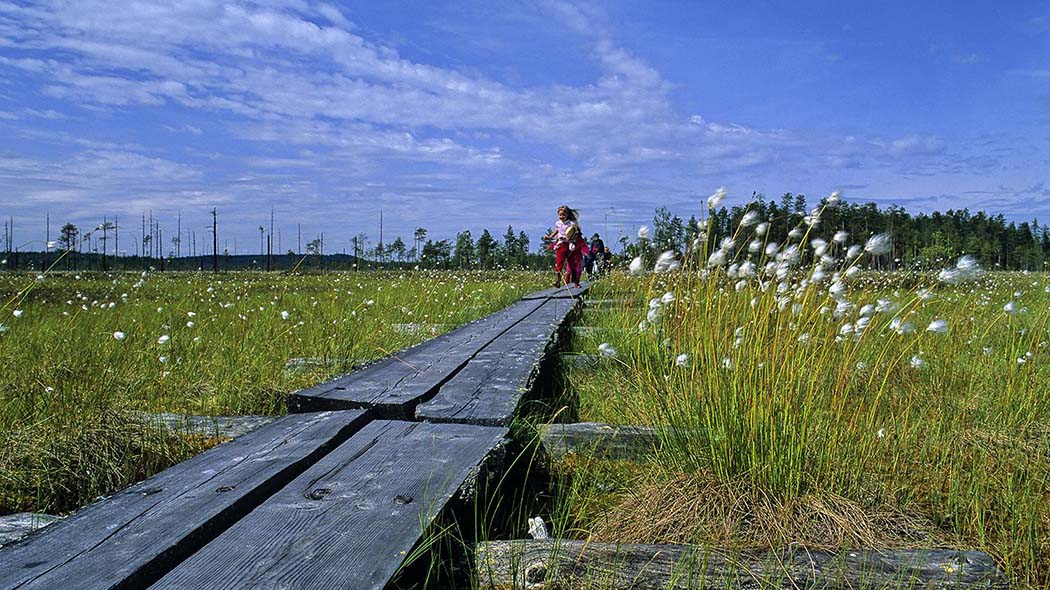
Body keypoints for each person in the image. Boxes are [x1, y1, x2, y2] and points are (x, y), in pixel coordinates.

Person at [544, 205, 589, 288]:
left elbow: (575, 233)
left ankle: (576, 283)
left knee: (572, 264)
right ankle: (558, 280)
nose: (561, 217)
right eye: (560, 215)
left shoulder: (571, 223)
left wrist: (568, 238)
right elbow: (556, 231)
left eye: (563, 215)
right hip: (561, 244)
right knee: (559, 262)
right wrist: (550, 237)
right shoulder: (558, 223)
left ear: (567, 215)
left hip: (569, 244)